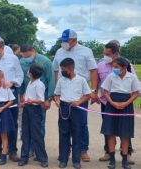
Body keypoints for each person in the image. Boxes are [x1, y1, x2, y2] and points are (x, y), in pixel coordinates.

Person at [53, 29, 98, 162]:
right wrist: (58, 88)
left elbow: (93, 70)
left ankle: (82, 150)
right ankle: (66, 151)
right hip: (65, 90)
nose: (64, 43)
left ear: (74, 39)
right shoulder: (59, 52)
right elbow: (56, 70)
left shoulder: (86, 51)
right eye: (63, 40)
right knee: (65, 124)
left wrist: (94, 91)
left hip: (80, 91)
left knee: (81, 123)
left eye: (66, 40)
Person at [97, 41, 135, 164]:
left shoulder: (128, 66)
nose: (105, 56)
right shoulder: (102, 65)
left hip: (125, 104)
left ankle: (126, 154)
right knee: (109, 130)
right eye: (104, 53)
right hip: (107, 103)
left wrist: (125, 103)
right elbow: (102, 87)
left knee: (125, 131)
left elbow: (135, 89)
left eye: (107, 54)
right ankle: (109, 153)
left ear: (115, 54)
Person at [101, 57, 140, 169]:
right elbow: (106, 92)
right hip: (111, 105)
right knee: (111, 132)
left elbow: (136, 93)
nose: (114, 69)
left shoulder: (131, 77)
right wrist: (112, 103)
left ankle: (124, 160)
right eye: (113, 67)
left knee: (125, 134)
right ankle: (112, 160)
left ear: (124, 68)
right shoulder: (111, 76)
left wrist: (125, 103)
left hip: (126, 106)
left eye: (116, 67)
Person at [54, 58, 91, 169]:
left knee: (77, 133)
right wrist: (57, 100)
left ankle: (76, 160)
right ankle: (63, 159)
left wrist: (79, 102)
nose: (62, 72)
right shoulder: (61, 80)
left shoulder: (81, 80)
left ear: (70, 69)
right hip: (64, 108)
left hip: (76, 108)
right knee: (63, 133)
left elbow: (88, 95)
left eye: (63, 70)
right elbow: (57, 93)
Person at [19, 45, 55, 153]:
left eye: (28, 56)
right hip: (27, 93)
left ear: (33, 51)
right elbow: (21, 79)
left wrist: (49, 98)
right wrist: (21, 95)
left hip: (41, 94)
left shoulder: (45, 62)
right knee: (26, 125)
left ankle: (38, 149)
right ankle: (29, 149)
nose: (26, 59)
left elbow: (51, 79)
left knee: (39, 124)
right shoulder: (22, 62)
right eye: (24, 57)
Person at [18, 64, 49, 168]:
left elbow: (41, 100)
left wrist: (32, 101)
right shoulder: (30, 83)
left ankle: (43, 158)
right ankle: (24, 157)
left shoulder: (39, 85)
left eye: (29, 71)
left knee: (36, 135)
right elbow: (28, 96)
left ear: (30, 73)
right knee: (25, 133)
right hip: (27, 109)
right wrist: (24, 103)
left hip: (35, 110)